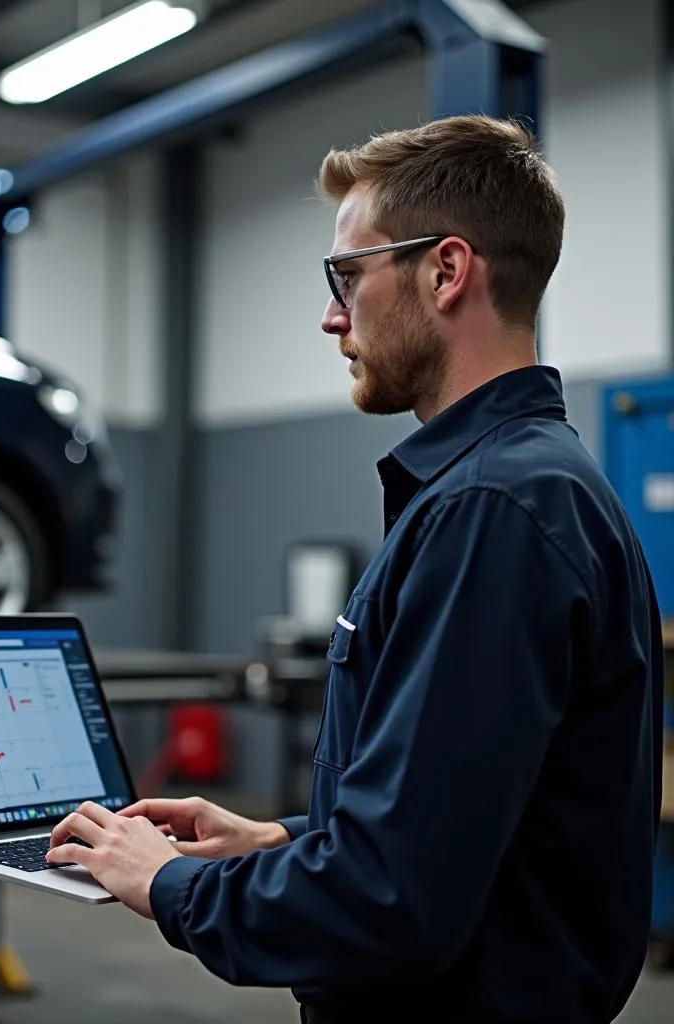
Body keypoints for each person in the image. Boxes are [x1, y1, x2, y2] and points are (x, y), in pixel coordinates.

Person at [45, 115, 665, 1023]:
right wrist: (276, 841)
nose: (332, 315)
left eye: (347, 276)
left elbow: (392, 902)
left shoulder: (491, 511)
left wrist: (171, 886)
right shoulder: (534, 488)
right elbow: (468, 829)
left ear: (446, 272)